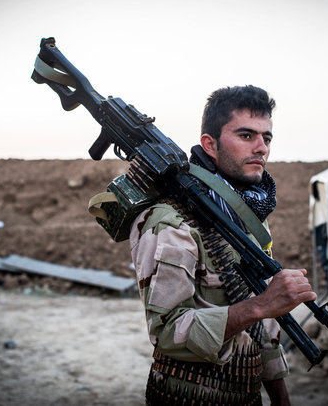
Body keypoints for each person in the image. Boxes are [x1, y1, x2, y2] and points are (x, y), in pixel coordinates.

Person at [129, 85, 317, 405]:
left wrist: (280, 398)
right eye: (246, 135)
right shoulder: (171, 222)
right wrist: (260, 305)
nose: (261, 148)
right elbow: (167, 333)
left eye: (266, 138)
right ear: (210, 145)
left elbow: (263, 327)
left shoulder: (247, 218)